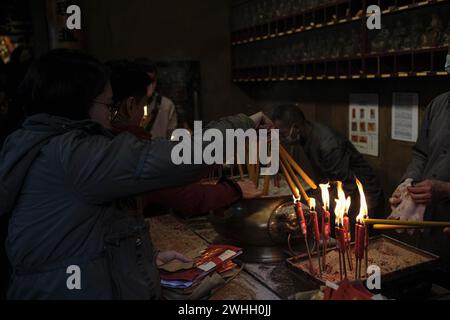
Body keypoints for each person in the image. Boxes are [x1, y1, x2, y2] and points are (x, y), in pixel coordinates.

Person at [0, 49, 269, 300]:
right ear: (79, 103)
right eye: (108, 106)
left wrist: (137, 257)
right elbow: (180, 158)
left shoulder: (40, 142)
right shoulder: (74, 154)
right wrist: (244, 124)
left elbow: (79, 234)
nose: (111, 117)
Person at [108, 62, 262, 217]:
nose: (143, 114)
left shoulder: (100, 143)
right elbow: (183, 187)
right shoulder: (125, 150)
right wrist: (234, 189)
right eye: (142, 106)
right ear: (130, 106)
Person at [272, 104, 384, 219]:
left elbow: (347, 184)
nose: (281, 138)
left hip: (364, 196)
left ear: (296, 128)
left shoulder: (328, 145)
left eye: (282, 133)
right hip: (344, 190)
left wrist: (320, 206)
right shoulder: (306, 134)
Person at [388, 88, 450, 265]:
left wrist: (446, 189)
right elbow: (421, 154)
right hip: (430, 228)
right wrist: (409, 183)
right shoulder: (438, 104)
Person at [134, 59, 180, 139]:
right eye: (144, 81)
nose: (148, 86)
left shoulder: (166, 105)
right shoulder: (127, 104)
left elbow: (172, 139)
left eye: (151, 81)